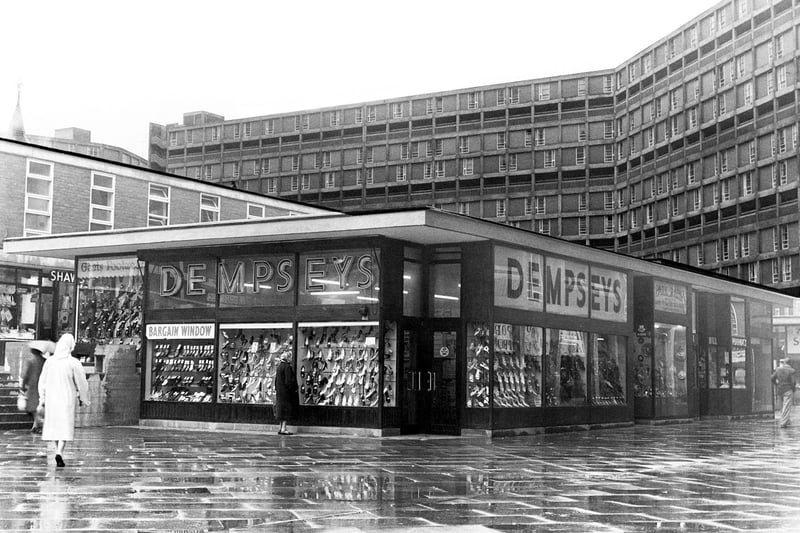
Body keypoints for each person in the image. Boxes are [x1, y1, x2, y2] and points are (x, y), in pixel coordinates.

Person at [38, 333, 90, 467]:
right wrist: (84, 398)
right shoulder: (73, 363)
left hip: (52, 399)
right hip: (67, 399)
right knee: (65, 427)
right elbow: (81, 382)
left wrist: (42, 397)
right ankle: (60, 452)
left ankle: (57, 450)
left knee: (55, 427)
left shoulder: (50, 362)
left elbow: (42, 381)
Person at [20, 340, 56, 433]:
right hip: (43, 385)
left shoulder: (30, 361)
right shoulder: (45, 361)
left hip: (32, 386)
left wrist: (23, 386)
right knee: (38, 406)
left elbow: (26, 375)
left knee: (33, 406)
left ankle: (37, 425)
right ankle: (36, 424)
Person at [274, 350, 298, 435]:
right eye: (290, 357)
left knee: (280, 410)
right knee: (285, 410)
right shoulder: (287, 367)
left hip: (280, 392)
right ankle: (284, 428)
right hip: (286, 393)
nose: (291, 358)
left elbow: (276, 380)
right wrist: (292, 389)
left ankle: (281, 428)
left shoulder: (280, 366)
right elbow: (288, 381)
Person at [771, 357, 796, 429]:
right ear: (790, 363)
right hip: (788, 390)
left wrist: (776, 384)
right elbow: (793, 382)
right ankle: (783, 423)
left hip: (780, 390)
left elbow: (772, 378)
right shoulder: (792, 371)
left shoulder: (778, 369)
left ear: (784, 363)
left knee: (782, 406)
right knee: (786, 406)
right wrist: (793, 389)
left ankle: (787, 420)